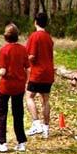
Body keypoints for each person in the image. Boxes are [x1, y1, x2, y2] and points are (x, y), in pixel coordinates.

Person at [0, 24, 30, 153]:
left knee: (1, 112)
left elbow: (2, 70)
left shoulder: (4, 50)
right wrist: (25, 81)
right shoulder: (23, 50)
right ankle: (21, 141)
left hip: (6, 86)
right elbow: (27, 68)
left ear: (6, 37)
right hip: (19, 86)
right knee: (18, 113)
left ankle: (1, 141)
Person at [25, 11, 54, 139]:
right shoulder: (48, 37)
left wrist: (24, 61)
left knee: (29, 96)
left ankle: (36, 123)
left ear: (35, 22)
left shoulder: (34, 36)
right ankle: (46, 128)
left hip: (37, 72)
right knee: (45, 100)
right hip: (48, 72)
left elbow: (31, 55)